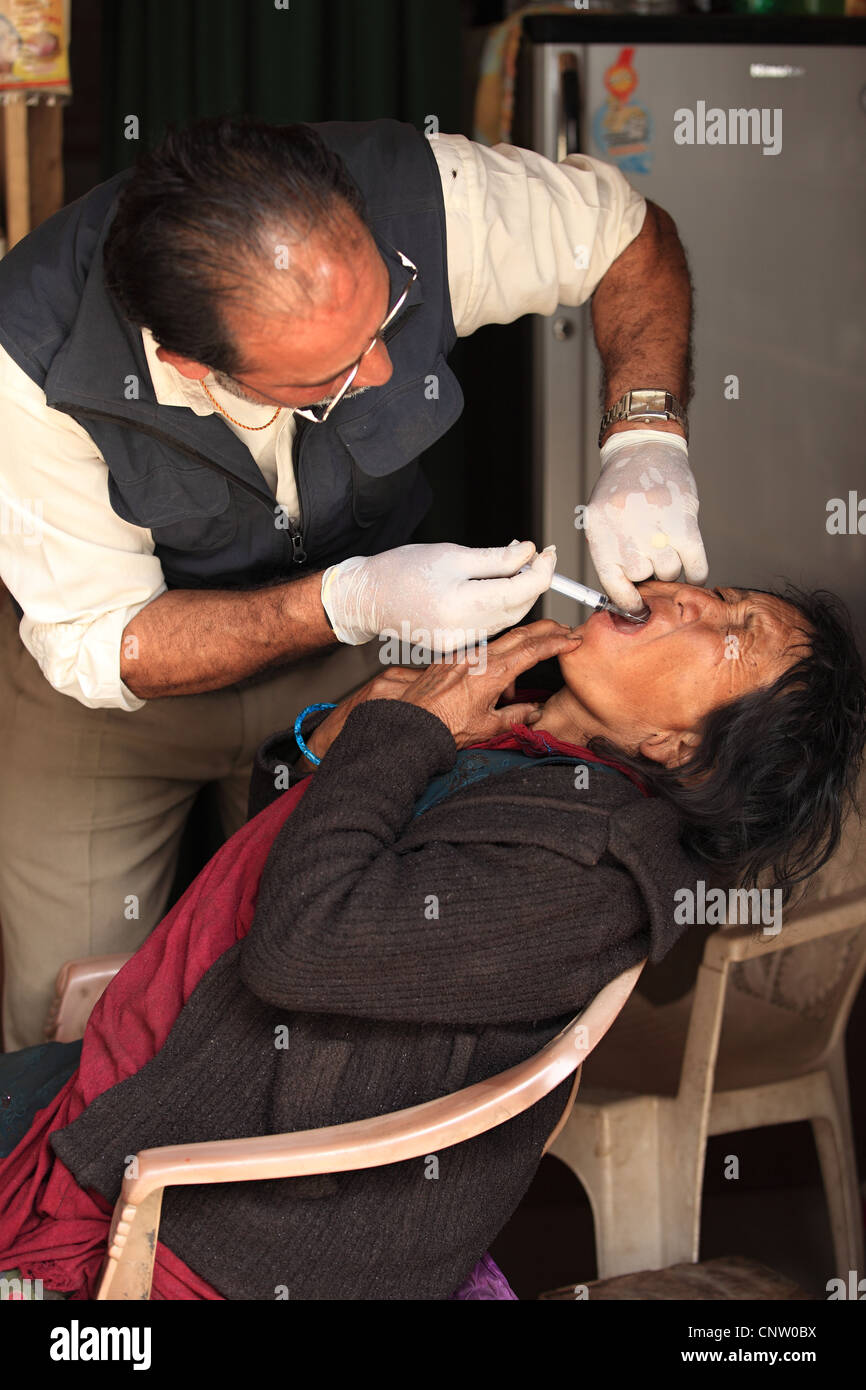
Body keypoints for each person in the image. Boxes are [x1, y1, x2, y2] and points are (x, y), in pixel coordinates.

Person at [0, 112, 699, 1049]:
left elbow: (625, 235)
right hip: (115, 701)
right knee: (75, 1015)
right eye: (330, 374)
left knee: (329, 988)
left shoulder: (424, 197)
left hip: (352, 671)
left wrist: (644, 434)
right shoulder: (26, 366)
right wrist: (350, 596)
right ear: (189, 367)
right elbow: (104, 642)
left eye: (387, 320)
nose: (381, 369)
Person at [0, 579, 862, 1301]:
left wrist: (401, 735)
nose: (680, 596)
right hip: (153, 1065)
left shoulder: (588, 878)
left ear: (683, 750)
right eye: (718, 593)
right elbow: (278, 855)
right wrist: (335, 738)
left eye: (731, 632)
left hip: (209, 1198)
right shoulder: (517, 738)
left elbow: (302, 942)